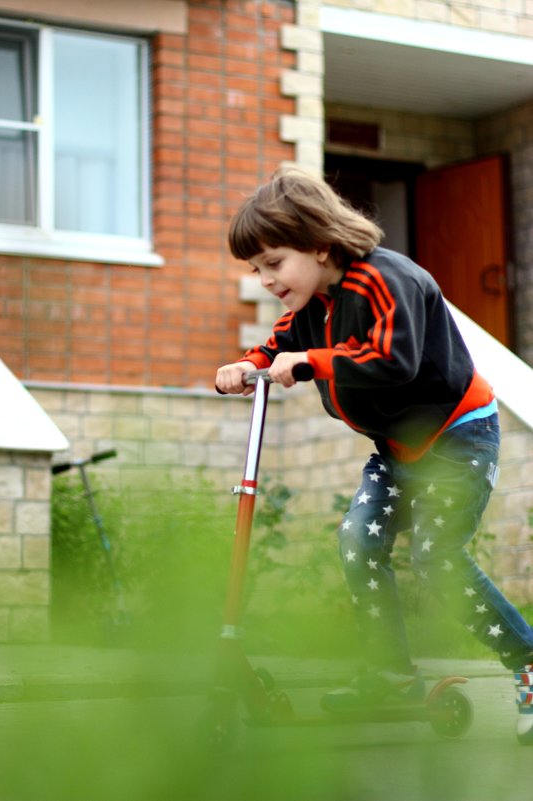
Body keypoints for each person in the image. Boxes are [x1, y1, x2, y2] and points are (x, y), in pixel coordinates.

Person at [215, 168, 533, 744]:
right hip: (397, 447)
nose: (264, 280)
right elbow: (279, 342)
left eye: (272, 263)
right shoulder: (315, 299)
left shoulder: (388, 279)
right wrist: (247, 364)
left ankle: (528, 664)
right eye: (255, 268)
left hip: (457, 434)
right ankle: (390, 674)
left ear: (319, 244)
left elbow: (395, 360)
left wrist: (314, 361)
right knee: (359, 540)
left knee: (437, 557)